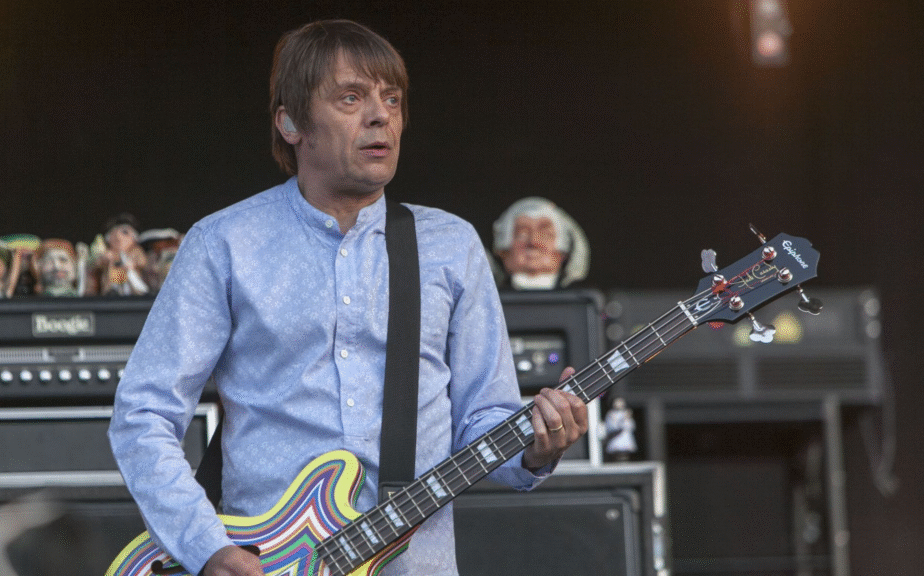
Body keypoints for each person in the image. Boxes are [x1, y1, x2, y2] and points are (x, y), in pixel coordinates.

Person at [108, 19, 588, 576]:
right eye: (351, 97)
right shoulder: (224, 243)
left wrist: (536, 447)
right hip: (268, 562)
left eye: (392, 98)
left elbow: (484, 422)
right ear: (290, 122)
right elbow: (142, 413)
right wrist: (206, 547)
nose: (381, 115)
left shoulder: (450, 246)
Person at [492, 196, 589, 290]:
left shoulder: (583, 299)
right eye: (522, 235)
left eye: (545, 235)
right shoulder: (486, 302)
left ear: (563, 253)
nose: (534, 242)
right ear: (503, 252)